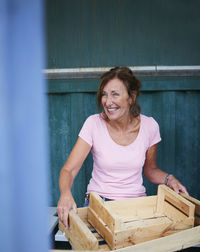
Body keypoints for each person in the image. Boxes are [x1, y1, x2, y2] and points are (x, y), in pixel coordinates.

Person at [57, 66, 188, 228]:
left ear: (131, 97)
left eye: (115, 94)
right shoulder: (93, 124)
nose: (107, 101)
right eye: (104, 94)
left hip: (137, 207)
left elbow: (151, 170)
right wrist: (65, 194)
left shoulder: (150, 126)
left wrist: (170, 179)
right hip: (99, 204)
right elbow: (68, 170)